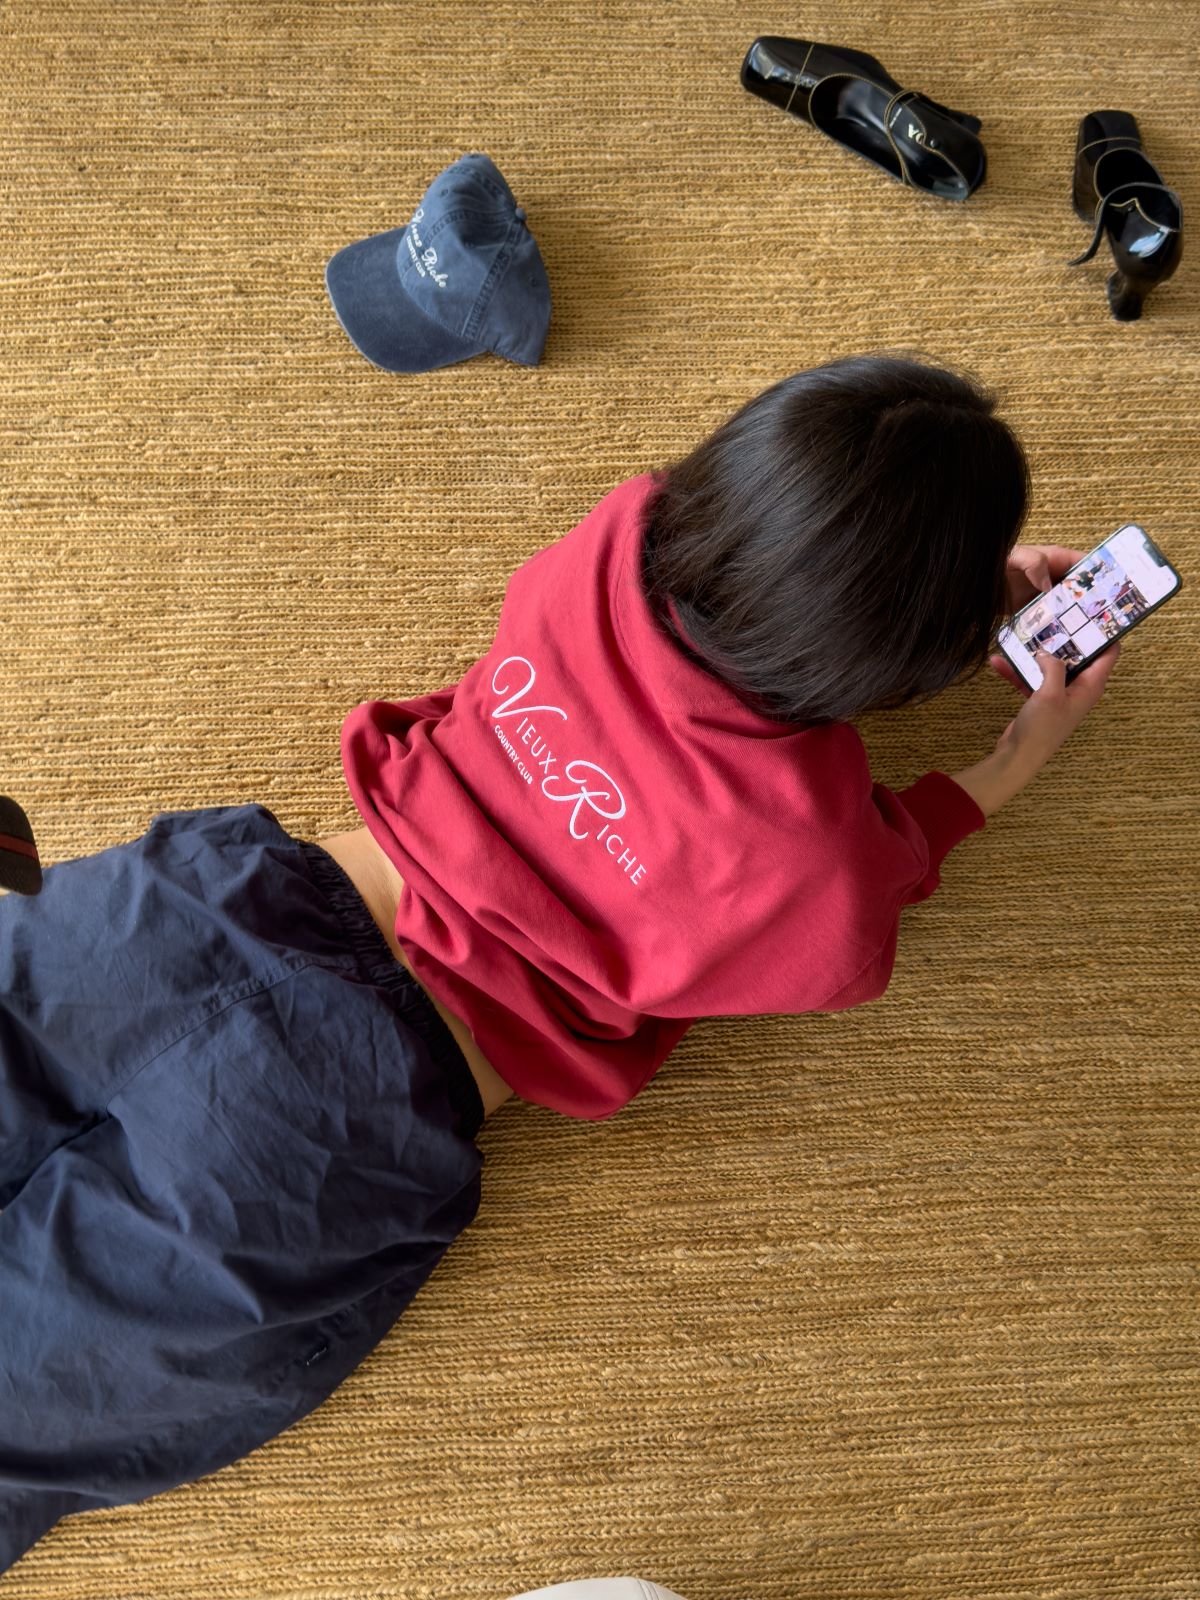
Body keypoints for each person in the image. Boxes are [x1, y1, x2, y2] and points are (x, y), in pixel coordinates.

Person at [0, 352, 1119, 1575]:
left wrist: (893, 593)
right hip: (347, 1105)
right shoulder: (820, 870)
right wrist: (1013, 752)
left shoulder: (618, 534)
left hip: (210, 907)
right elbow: (877, 886)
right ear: (896, 665)